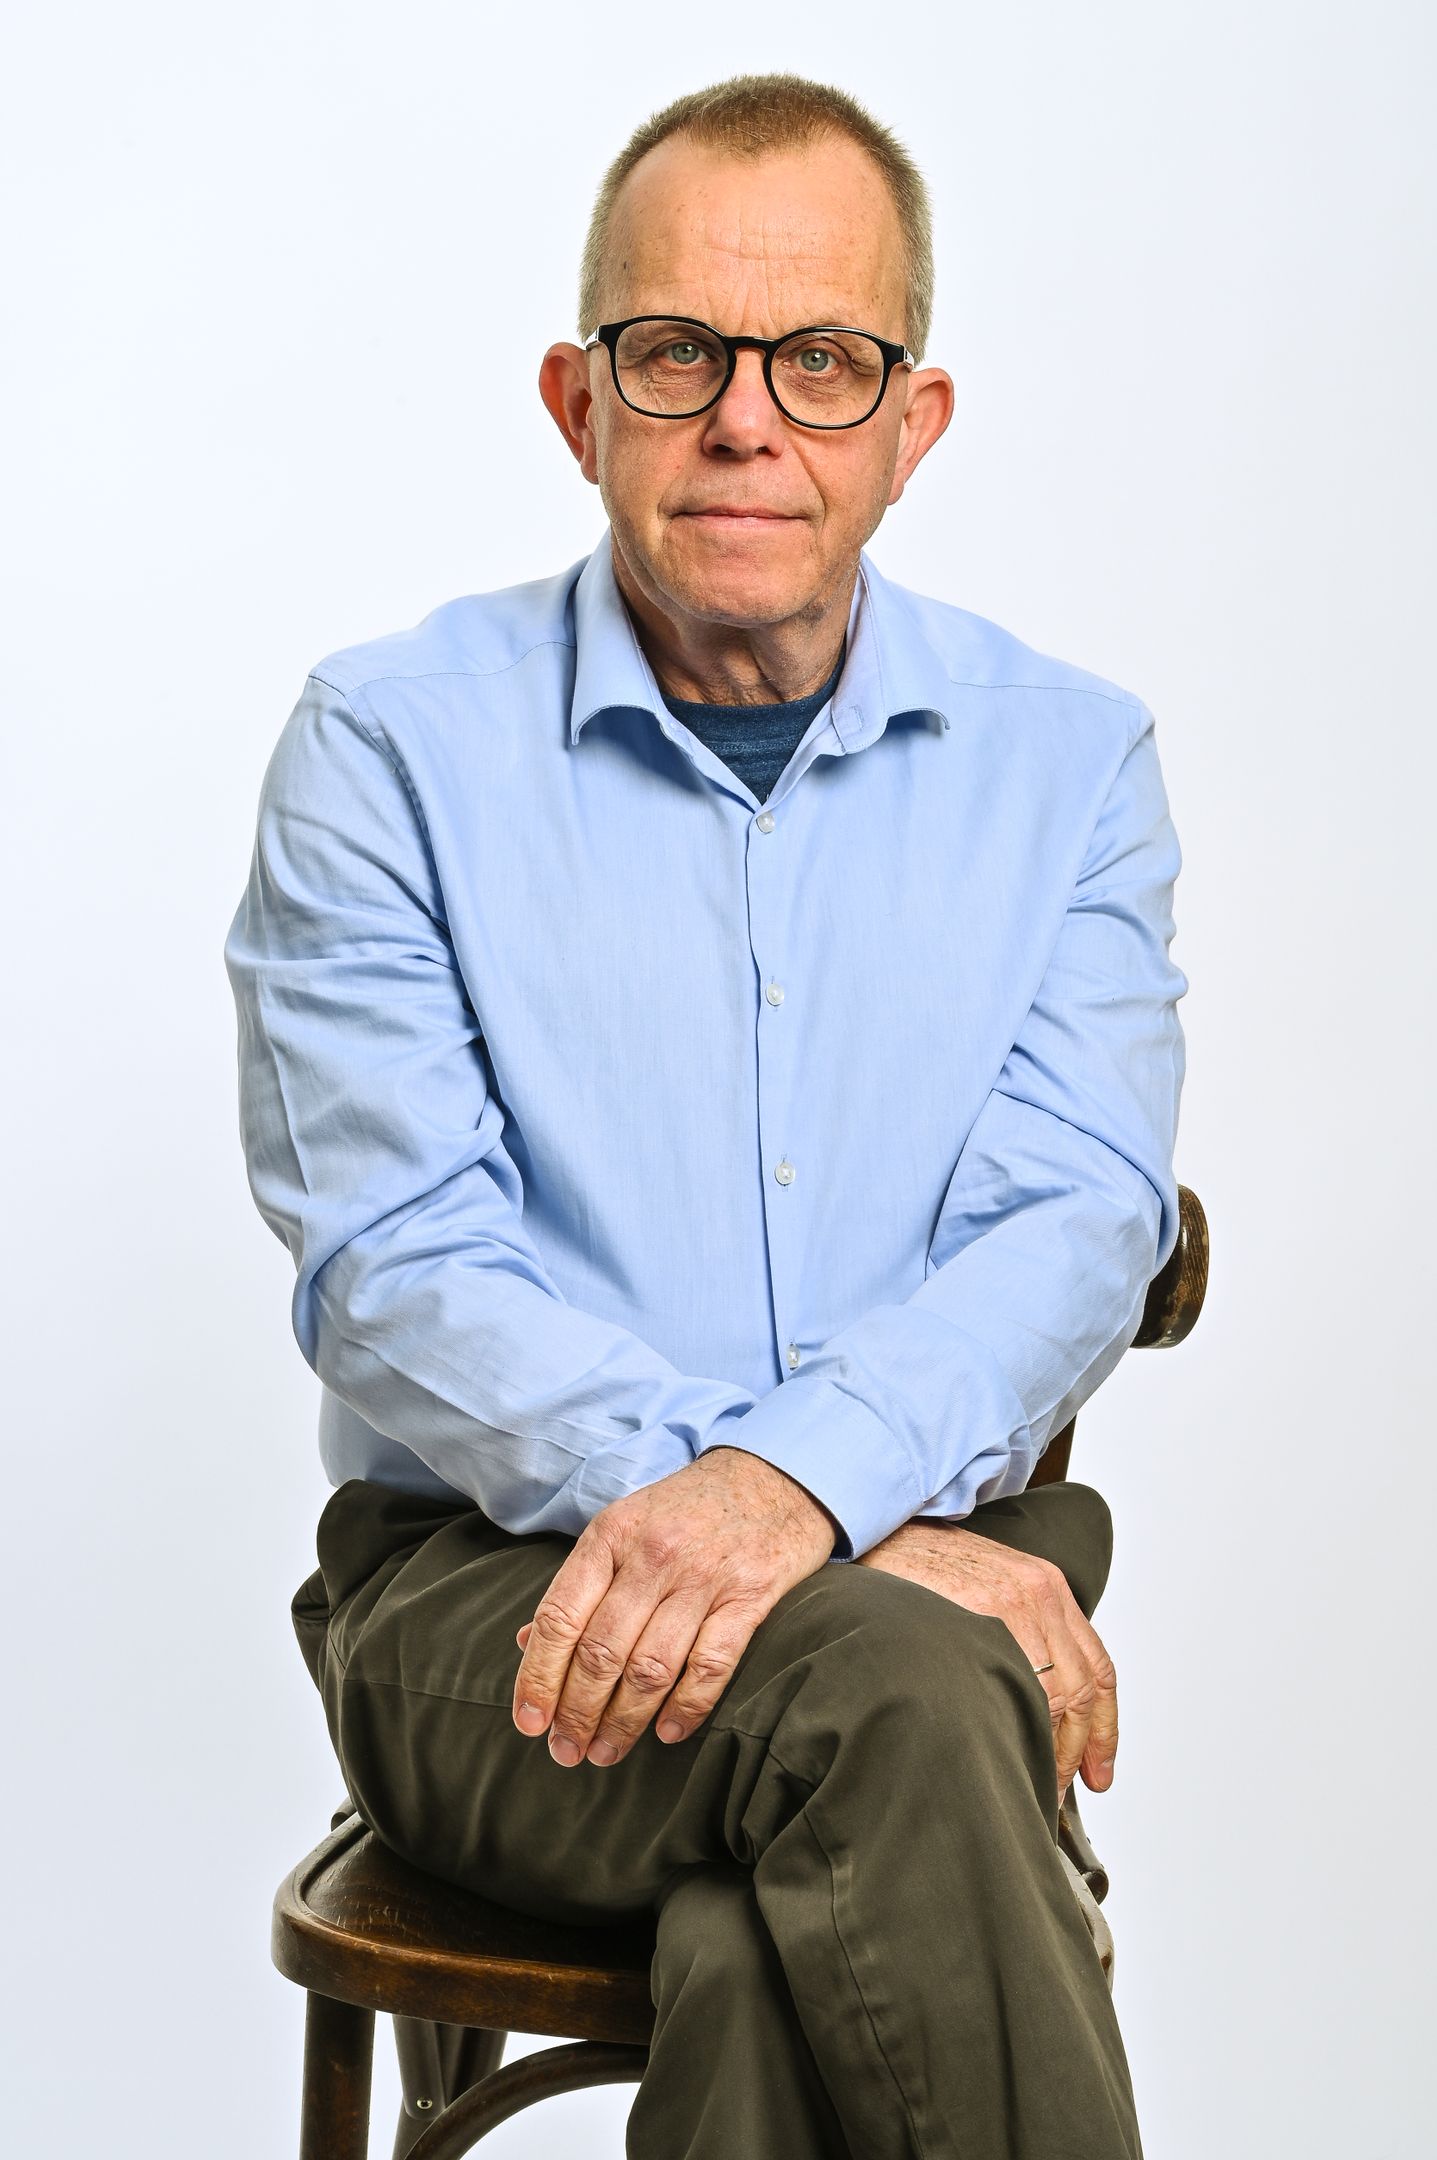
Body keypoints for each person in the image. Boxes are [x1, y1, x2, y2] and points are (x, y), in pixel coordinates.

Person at [225, 69, 1186, 2160]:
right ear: (577, 404)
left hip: (947, 1580)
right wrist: (807, 1505)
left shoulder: (1070, 765)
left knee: (773, 1942)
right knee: (897, 1693)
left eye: (821, 360)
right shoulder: (386, 748)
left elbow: (1076, 1226)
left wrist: (794, 1498)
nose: (747, 419)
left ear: (912, 425)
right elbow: (395, 1266)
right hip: (492, 1604)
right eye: (677, 353)